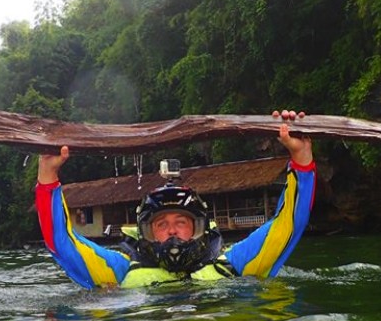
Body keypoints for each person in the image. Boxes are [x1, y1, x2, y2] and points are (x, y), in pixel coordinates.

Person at [34, 110, 315, 289]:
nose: (171, 231)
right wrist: (48, 175)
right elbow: (62, 243)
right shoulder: (119, 271)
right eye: (161, 224)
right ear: (147, 232)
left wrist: (301, 159)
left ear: (198, 227)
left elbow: (287, 227)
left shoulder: (232, 265)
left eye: (181, 222)